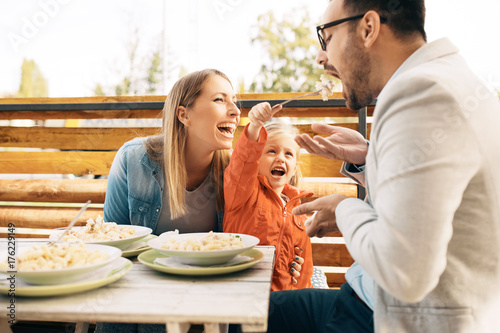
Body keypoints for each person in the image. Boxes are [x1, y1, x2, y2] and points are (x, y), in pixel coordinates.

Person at [268, 0, 500, 332]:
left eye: (327, 38)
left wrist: (344, 209)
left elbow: (404, 272)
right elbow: (429, 193)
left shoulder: (421, 93)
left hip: (387, 319)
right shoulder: (448, 79)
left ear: (368, 28)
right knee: (251, 314)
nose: (322, 58)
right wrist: (370, 155)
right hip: (363, 298)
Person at [97, 68, 240, 333]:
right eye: (220, 100)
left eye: (234, 101)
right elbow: (113, 243)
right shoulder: (132, 159)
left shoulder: (234, 171)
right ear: (184, 114)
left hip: (209, 287)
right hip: (144, 281)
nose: (235, 111)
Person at [223, 102, 314, 290]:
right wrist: (255, 125)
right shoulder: (244, 192)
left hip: (284, 299)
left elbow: (304, 268)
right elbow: (243, 162)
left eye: (288, 154)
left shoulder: (298, 211)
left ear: (294, 168)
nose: (280, 158)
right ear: (257, 159)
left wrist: (301, 288)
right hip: (243, 289)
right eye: (271, 151)